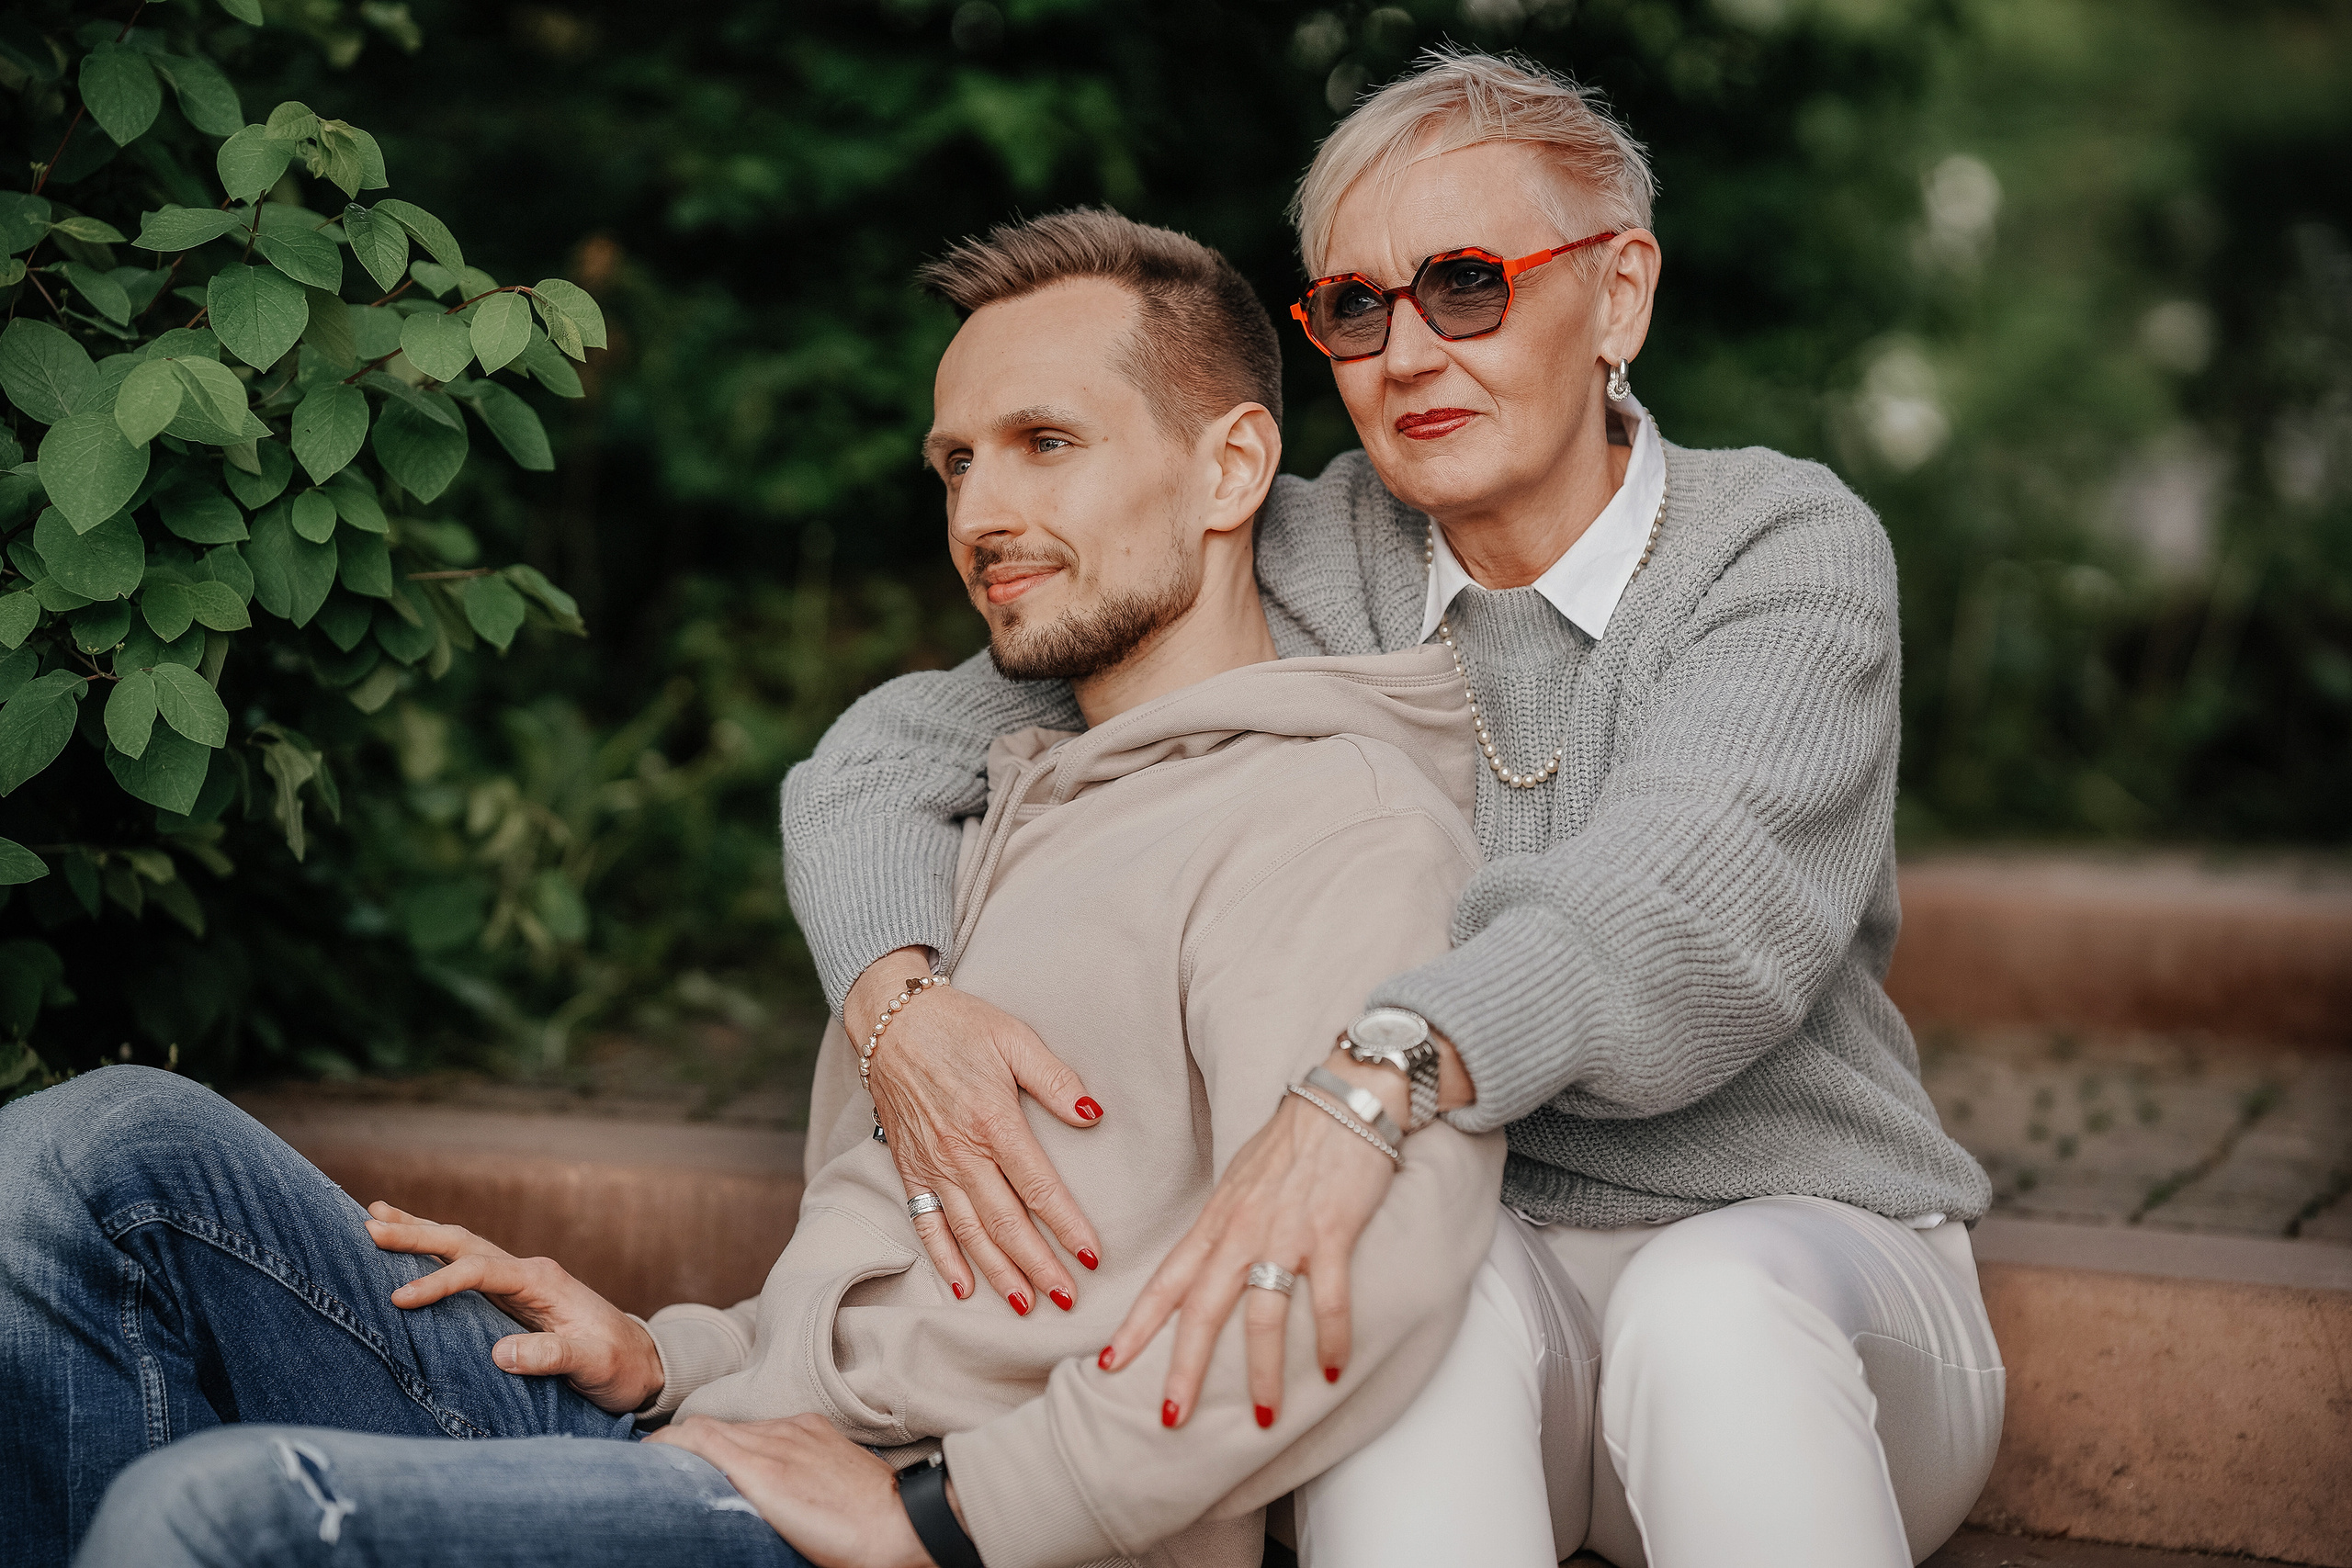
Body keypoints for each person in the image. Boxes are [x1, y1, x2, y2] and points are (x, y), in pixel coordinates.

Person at [6, 210, 1509, 1568]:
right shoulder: (994, 807)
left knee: (212, 1518)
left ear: (1231, 468)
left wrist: (950, 1515)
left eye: (1046, 442)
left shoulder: (1330, 818)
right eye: (956, 462)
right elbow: (890, 1291)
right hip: (715, 1442)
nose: (979, 513)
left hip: (928, 1526)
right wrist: (672, 1357)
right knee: (99, 1154)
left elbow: (1344, 1281)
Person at [780, 49, 2005, 1568]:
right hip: (1494, 1265)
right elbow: (884, 759)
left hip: (1814, 1261)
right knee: (1374, 1307)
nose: (1408, 351)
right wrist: (899, 1012)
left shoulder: (1778, 551)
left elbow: (1694, 896)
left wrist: (1377, 1073)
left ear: (1619, 296)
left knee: (1713, 1315)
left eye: (1468, 285)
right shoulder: (1300, 551)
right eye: (1357, 308)